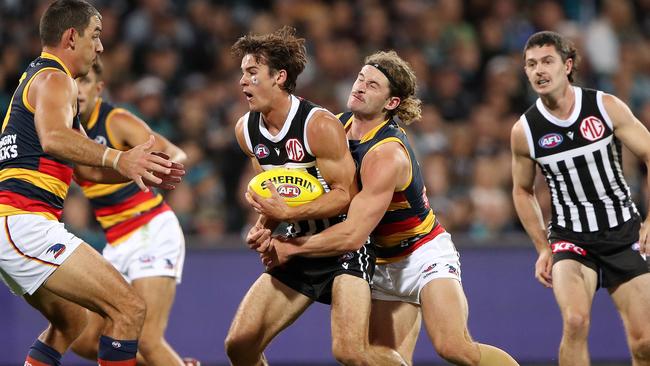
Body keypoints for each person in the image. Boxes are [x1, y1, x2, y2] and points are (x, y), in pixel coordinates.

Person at [264, 50, 519, 366]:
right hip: (381, 261)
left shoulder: (387, 154)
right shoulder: (334, 128)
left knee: (453, 346)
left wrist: (294, 248)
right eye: (360, 78)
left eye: (372, 85)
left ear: (392, 103)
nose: (359, 87)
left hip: (422, 252)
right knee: (387, 358)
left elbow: (353, 235)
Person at [0, 1, 183, 365]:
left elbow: (87, 172)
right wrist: (119, 156)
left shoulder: (39, 79)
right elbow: (52, 137)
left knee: (70, 323)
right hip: (23, 222)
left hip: (20, 225)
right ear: (71, 36)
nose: (100, 47)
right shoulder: (55, 78)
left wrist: (138, 168)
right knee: (128, 307)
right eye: (94, 36)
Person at [224, 26, 404, 366]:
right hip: (297, 244)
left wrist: (287, 217)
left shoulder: (318, 124)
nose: (242, 81)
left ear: (279, 77)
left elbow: (344, 196)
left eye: (251, 73)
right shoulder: (246, 131)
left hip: (342, 246)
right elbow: (280, 191)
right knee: (239, 344)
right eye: (242, 73)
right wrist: (265, 224)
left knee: (349, 352)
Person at [511, 31, 650, 365]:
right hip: (571, 240)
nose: (539, 70)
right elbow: (521, 190)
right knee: (575, 321)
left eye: (547, 61)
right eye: (531, 64)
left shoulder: (605, 107)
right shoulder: (525, 130)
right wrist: (542, 246)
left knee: (645, 342)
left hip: (623, 233)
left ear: (567, 65)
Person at [68, 59, 199, 366]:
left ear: (99, 89)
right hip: (115, 242)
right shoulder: (64, 130)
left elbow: (174, 152)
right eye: (74, 81)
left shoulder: (116, 121)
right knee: (85, 341)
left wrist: (160, 171)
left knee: (148, 339)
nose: (79, 89)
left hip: (149, 230)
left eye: (86, 82)